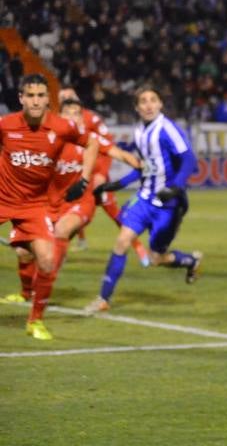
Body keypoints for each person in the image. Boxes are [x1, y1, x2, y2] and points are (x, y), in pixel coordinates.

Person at [82, 85, 202, 314]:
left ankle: (189, 261)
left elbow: (188, 161)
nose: (148, 105)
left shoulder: (168, 129)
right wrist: (119, 184)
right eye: (143, 101)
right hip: (145, 198)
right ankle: (103, 298)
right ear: (137, 108)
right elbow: (145, 167)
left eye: (152, 100)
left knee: (156, 258)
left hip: (168, 206)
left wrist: (175, 187)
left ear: (160, 104)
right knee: (121, 242)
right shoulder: (138, 132)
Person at [0, 75, 98, 339]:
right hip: (2, 199)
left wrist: (85, 178)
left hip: (34, 206)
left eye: (41, 95)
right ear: (21, 98)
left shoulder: (62, 126)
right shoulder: (6, 125)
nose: (35, 100)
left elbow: (92, 142)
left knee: (47, 259)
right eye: (30, 95)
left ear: (48, 99)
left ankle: (35, 321)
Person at [56, 90, 150, 265]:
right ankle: (58, 252)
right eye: (66, 111)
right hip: (57, 200)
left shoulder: (92, 130)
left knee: (114, 213)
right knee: (30, 251)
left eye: (76, 114)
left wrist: (147, 167)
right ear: (59, 113)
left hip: (88, 191)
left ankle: (138, 247)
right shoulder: (50, 137)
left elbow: (119, 153)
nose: (72, 117)